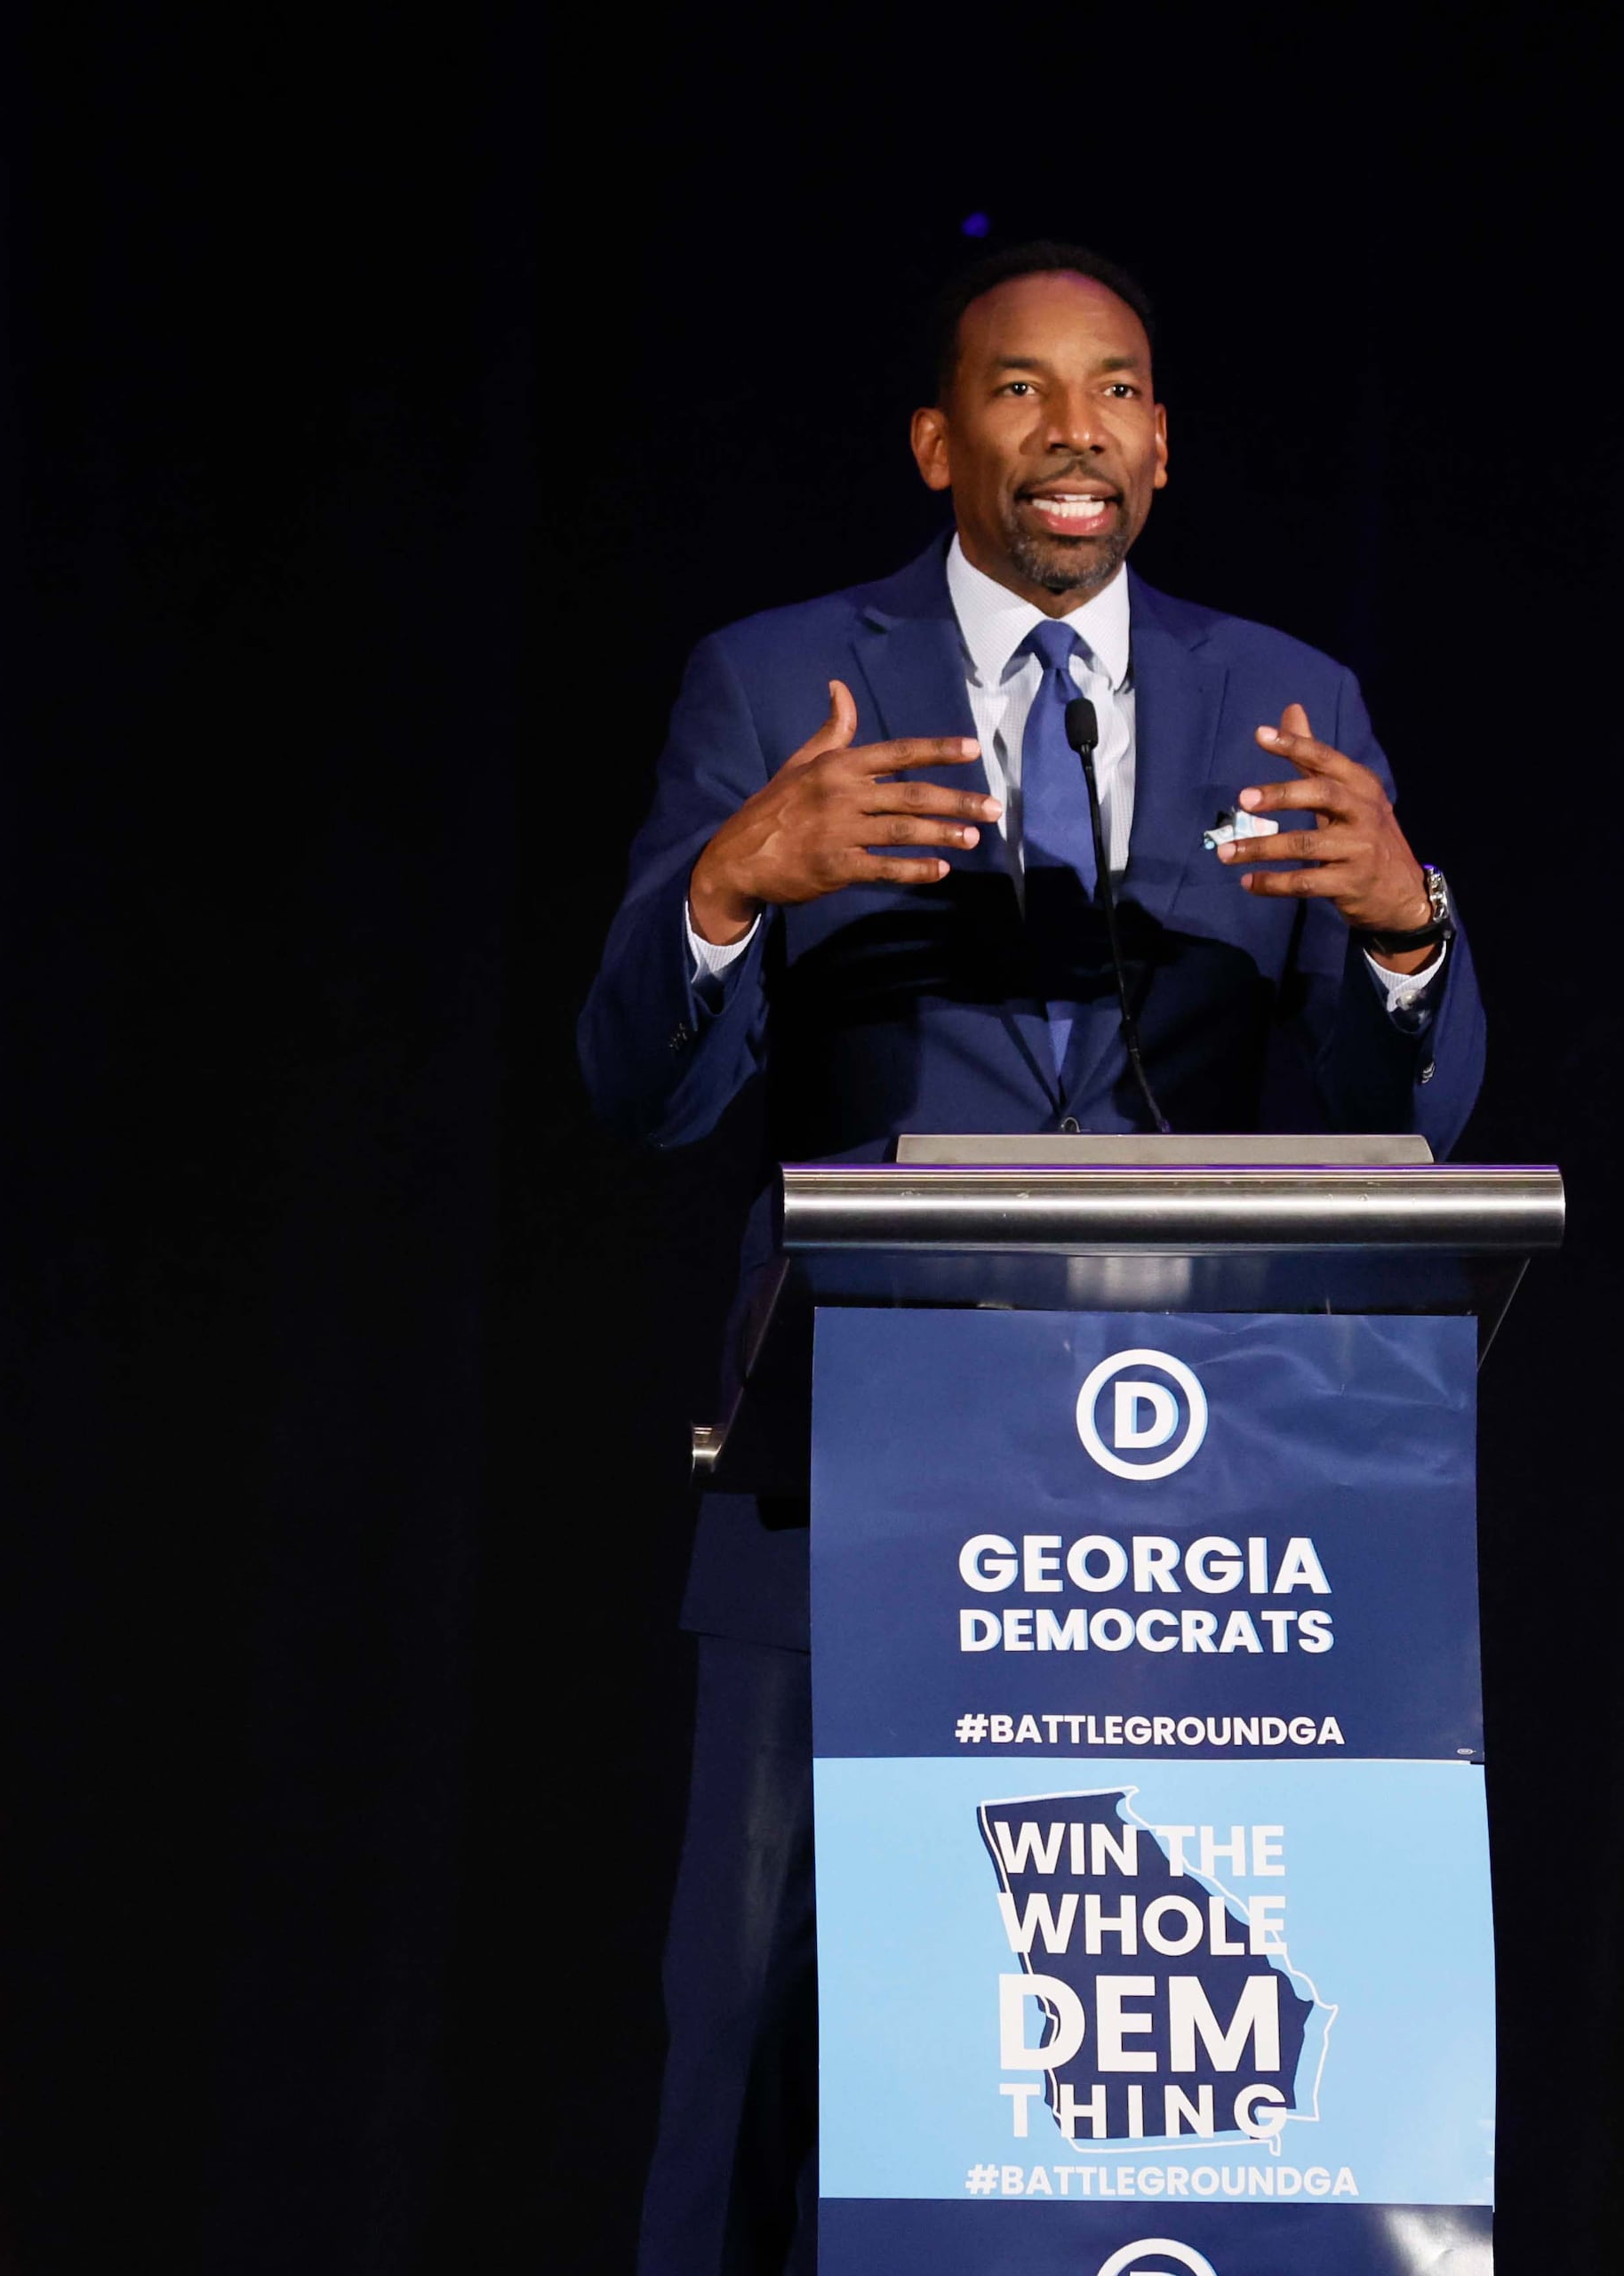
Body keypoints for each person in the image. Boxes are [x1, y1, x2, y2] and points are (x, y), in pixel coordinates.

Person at [576, 240, 1484, 2275]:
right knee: (750, 2041)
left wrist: (1411, 932)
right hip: (851, 1481)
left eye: (1119, 389)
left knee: (1132, 2059)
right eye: (1020, 387)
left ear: (1160, 445)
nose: (1074, 428)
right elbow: (638, 1084)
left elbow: (1407, 1122)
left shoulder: (1291, 698)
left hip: (1191, 1508)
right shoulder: (778, 678)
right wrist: (735, 882)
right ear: (936, 438)